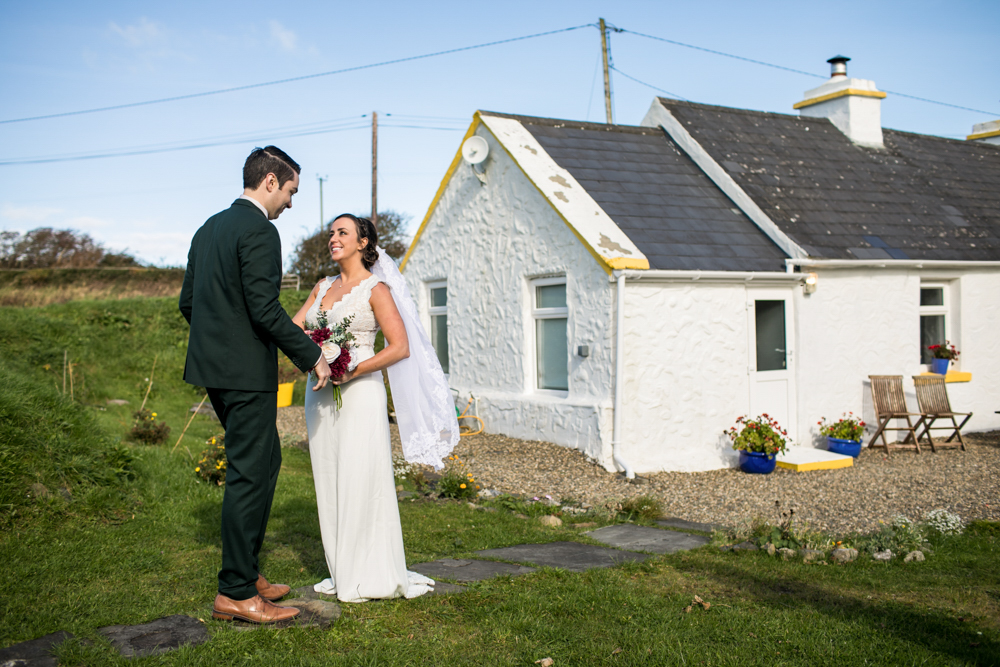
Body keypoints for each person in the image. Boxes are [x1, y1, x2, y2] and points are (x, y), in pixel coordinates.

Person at [179, 146, 332, 624]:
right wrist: (312, 355)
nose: (291, 202)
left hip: (214, 371)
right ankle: (236, 592)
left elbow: (189, 303)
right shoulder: (260, 231)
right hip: (244, 374)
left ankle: (246, 569)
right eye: (290, 191)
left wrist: (218, 343)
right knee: (250, 472)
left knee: (266, 461)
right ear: (270, 182)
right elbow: (265, 310)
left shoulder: (208, 228)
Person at [291, 213, 458, 602]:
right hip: (319, 392)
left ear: (363, 242)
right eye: (331, 233)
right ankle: (342, 568)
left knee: (361, 477)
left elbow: (400, 347)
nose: (333, 238)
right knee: (329, 477)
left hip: (361, 393)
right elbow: (293, 328)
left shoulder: (375, 289)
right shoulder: (321, 286)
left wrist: (352, 369)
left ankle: (370, 570)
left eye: (342, 232)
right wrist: (314, 354)